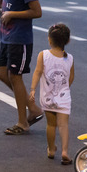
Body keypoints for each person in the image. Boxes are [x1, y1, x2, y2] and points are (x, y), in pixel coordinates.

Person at [0, 0, 44, 135]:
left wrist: (13, 14)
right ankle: (33, 108)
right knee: (2, 74)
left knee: (15, 77)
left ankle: (23, 122)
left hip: (20, 39)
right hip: (6, 37)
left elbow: (37, 12)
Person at [29, 24, 74, 164]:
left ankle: (51, 149)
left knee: (51, 124)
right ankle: (65, 151)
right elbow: (71, 77)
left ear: (49, 40)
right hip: (64, 97)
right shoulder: (70, 58)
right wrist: (64, 88)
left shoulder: (43, 55)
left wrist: (33, 89)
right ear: (67, 41)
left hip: (47, 97)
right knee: (64, 125)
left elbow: (37, 72)